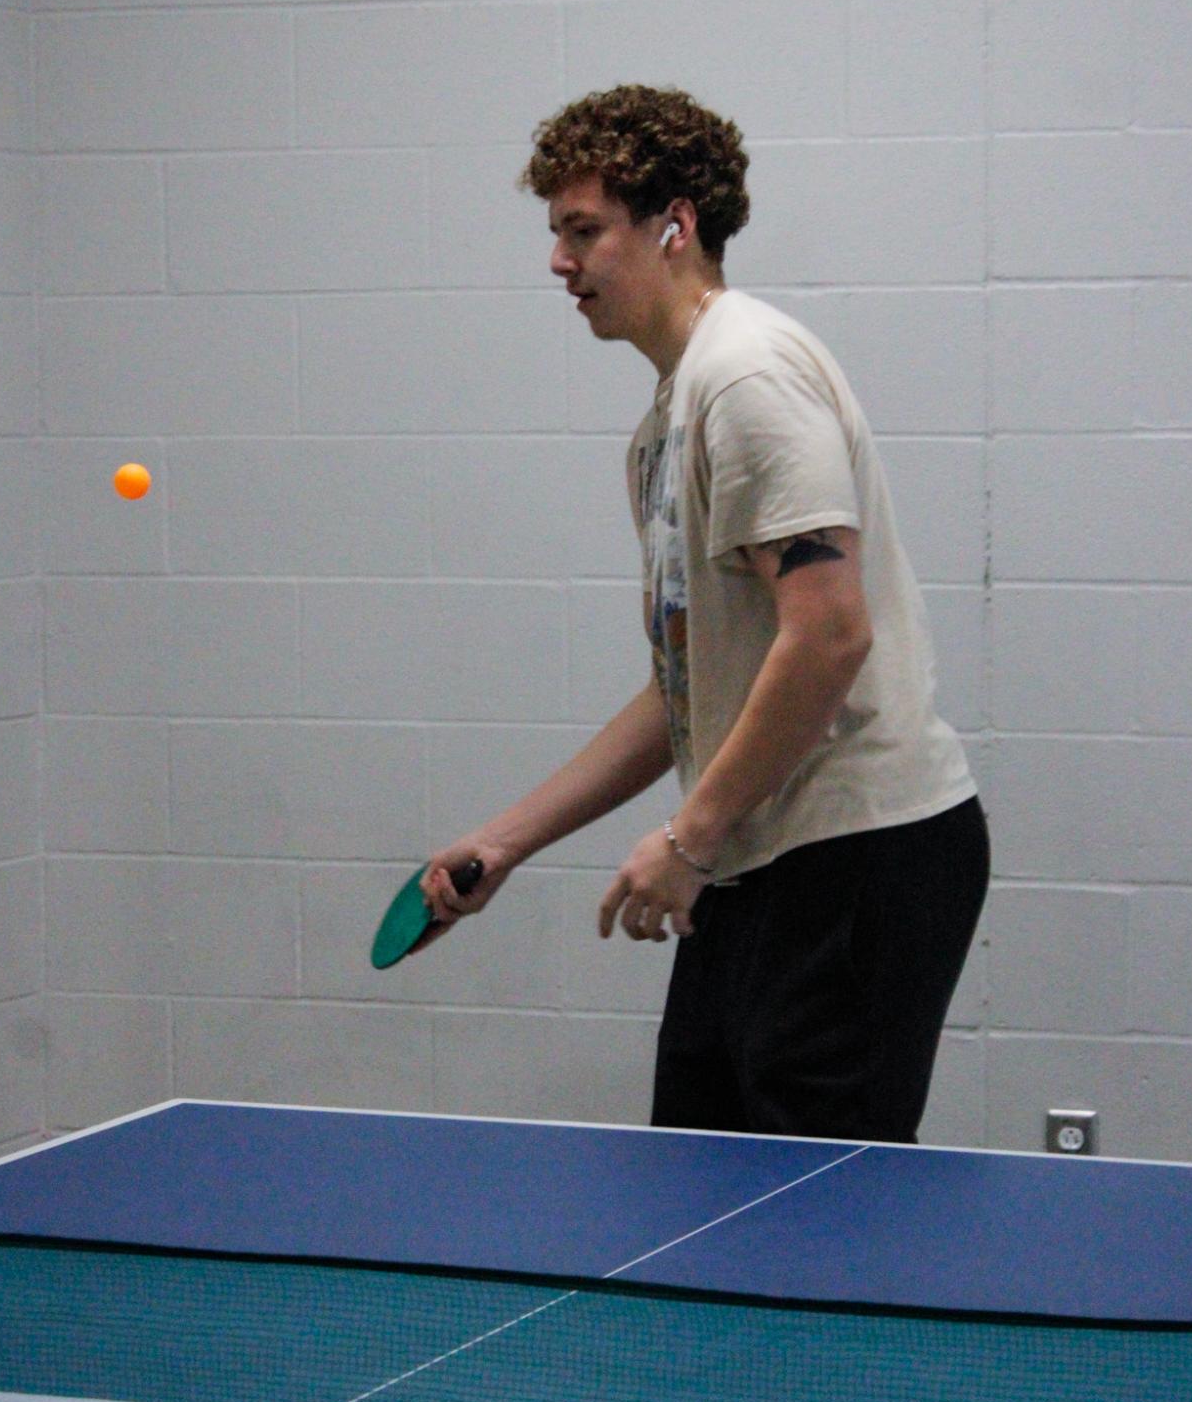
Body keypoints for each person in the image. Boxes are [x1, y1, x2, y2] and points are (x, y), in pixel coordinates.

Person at [421, 85, 989, 1143]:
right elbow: (681, 689)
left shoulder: (746, 379)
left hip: (858, 856)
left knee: (807, 1225)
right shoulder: (664, 424)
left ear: (673, 224)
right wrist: (504, 843)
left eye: (582, 231)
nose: (559, 261)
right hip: (756, 854)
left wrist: (688, 833)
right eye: (556, 233)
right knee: (696, 1175)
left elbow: (827, 635)